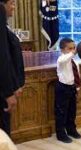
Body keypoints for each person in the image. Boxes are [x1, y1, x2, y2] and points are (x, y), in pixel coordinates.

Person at [0, 0, 25, 136]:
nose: (14, 7)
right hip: (2, 92)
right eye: (12, 3)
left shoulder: (4, 25)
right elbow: (2, 58)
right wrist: (9, 92)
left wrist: (16, 84)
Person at [55, 38, 81, 143]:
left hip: (72, 88)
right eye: (69, 48)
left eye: (74, 48)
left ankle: (71, 130)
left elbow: (77, 74)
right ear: (62, 50)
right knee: (61, 112)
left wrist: (77, 87)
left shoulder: (74, 61)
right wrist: (74, 52)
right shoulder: (61, 60)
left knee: (72, 111)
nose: (72, 50)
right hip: (62, 88)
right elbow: (64, 59)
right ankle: (60, 134)